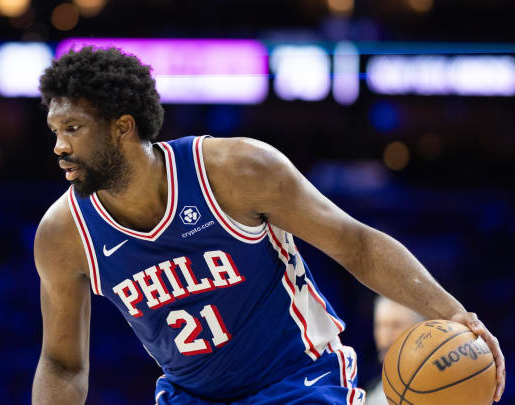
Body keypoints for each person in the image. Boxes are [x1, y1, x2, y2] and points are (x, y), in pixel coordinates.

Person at [31, 46, 505, 405]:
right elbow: (61, 362)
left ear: (122, 127)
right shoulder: (63, 234)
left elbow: (356, 244)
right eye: (55, 131)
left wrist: (455, 313)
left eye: (73, 128)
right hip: (190, 396)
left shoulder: (235, 170)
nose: (59, 146)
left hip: (299, 382)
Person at [365, 296, 424, 405]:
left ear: (420, 331)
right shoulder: (372, 396)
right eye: (380, 325)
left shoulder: (444, 386)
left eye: (396, 325)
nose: (385, 334)